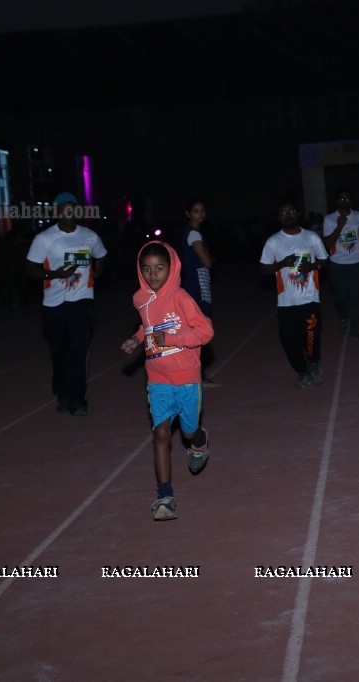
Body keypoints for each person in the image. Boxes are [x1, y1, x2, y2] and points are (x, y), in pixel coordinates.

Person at [121, 241, 214, 521]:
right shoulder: (141, 299)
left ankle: (199, 441)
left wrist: (174, 339)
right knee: (160, 433)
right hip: (157, 377)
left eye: (159, 269)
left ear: (171, 268)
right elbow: (147, 326)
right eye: (146, 269)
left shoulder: (181, 297)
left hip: (186, 377)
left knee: (187, 432)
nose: (153, 275)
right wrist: (136, 339)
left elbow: (206, 332)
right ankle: (165, 497)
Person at [25, 192, 107, 416]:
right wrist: (52, 274)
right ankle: (63, 393)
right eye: (64, 208)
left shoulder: (90, 236)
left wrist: (97, 271)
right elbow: (30, 269)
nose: (69, 211)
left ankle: (78, 399)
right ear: (56, 211)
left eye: (73, 207)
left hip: (82, 299)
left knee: (78, 348)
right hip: (53, 303)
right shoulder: (44, 239)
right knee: (60, 350)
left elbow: (101, 257)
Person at [260, 200, 329, 388]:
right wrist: (282, 263)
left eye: (291, 211)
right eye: (283, 212)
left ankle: (313, 363)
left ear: (298, 214)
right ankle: (301, 370)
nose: (287, 215)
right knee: (288, 339)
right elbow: (263, 269)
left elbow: (325, 260)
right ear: (278, 217)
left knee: (310, 335)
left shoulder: (312, 237)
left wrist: (313, 266)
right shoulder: (273, 241)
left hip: (310, 298)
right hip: (286, 302)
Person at [322, 188, 359, 339]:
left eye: (347, 199)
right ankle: (343, 317)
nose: (345, 201)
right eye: (342, 199)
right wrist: (340, 225)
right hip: (337, 264)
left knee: (355, 297)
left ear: (352, 201)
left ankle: (355, 330)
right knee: (340, 298)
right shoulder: (329, 219)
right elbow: (327, 243)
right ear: (336, 201)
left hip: (356, 262)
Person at [179, 198, 218, 386]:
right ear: (188, 213)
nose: (200, 214)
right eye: (195, 210)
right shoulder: (194, 234)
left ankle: (196, 374)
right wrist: (209, 259)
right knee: (200, 331)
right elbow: (207, 261)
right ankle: (197, 376)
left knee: (196, 331)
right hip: (197, 287)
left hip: (197, 285)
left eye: (202, 210)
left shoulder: (194, 233)